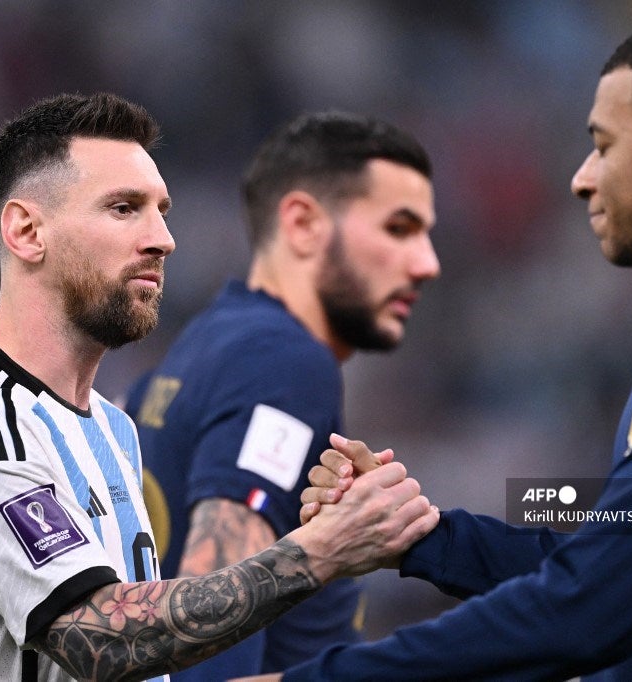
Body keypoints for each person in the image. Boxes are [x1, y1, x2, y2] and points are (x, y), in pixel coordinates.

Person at [261, 10, 632, 681]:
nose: (582, 177)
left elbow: (586, 611)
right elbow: (615, 566)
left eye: (604, 144)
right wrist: (423, 538)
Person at [0, 92, 439, 682]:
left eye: (162, 210)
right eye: (124, 209)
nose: (163, 238)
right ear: (26, 231)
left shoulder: (110, 425)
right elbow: (99, 640)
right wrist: (321, 551)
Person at [123, 110, 440, 679]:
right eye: (398, 228)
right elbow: (206, 653)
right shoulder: (283, 362)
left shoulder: (201, 344)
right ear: (302, 224)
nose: (426, 263)